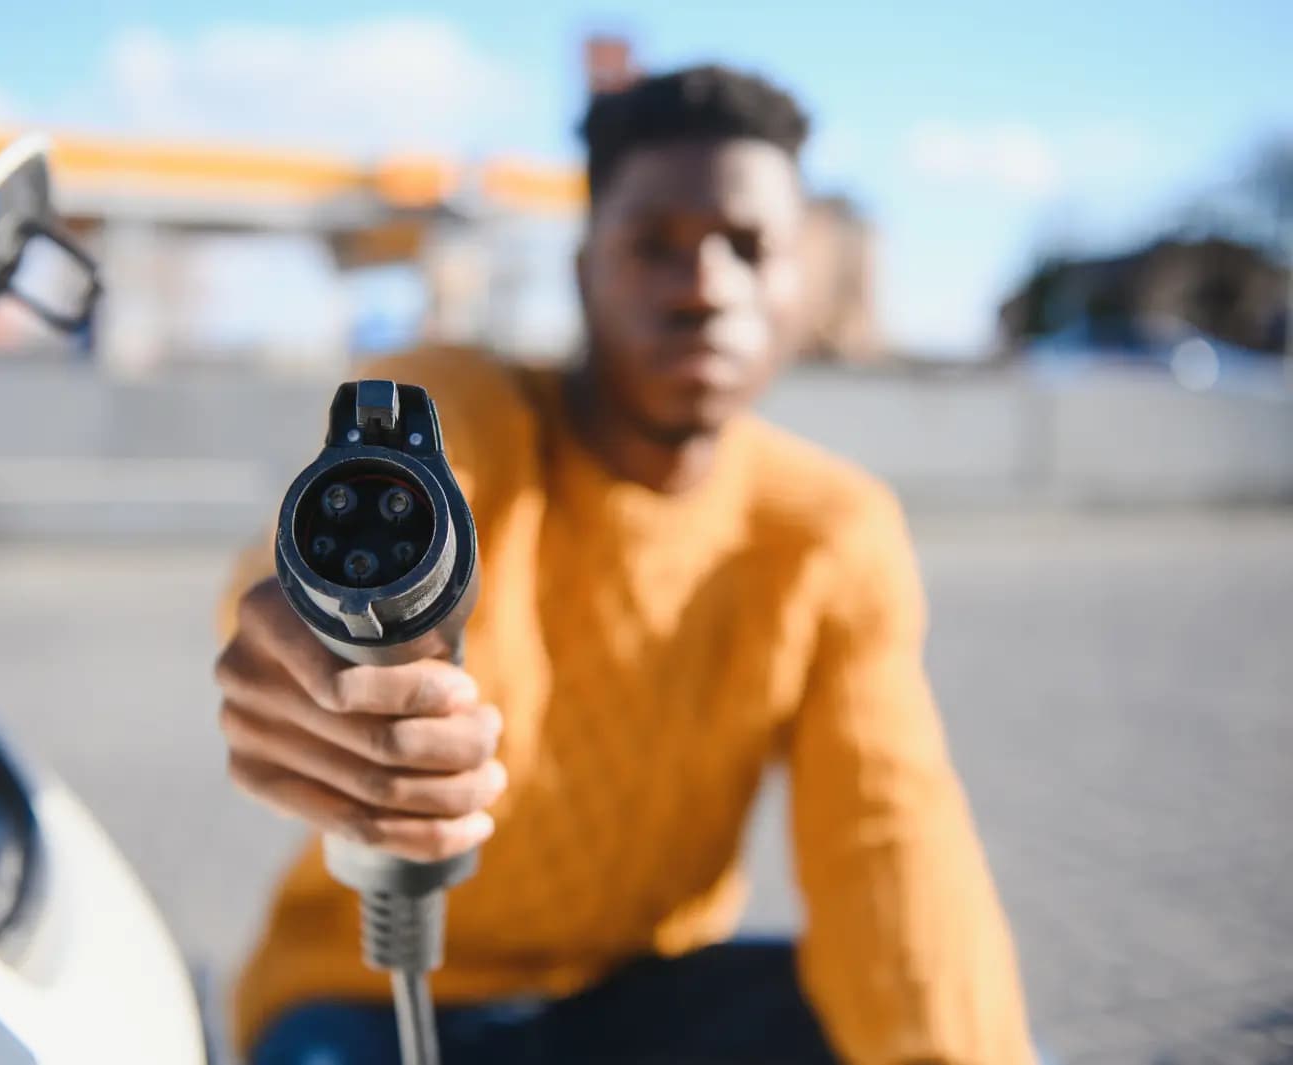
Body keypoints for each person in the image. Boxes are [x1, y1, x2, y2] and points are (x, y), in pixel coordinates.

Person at [215, 65, 1035, 1065]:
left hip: (648, 1004)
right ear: (584, 267)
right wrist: (313, 645)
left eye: (748, 246)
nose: (703, 286)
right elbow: (367, 512)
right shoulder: (466, 408)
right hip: (368, 1001)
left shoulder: (830, 531)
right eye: (655, 246)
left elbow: (889, 845)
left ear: (802, 279)